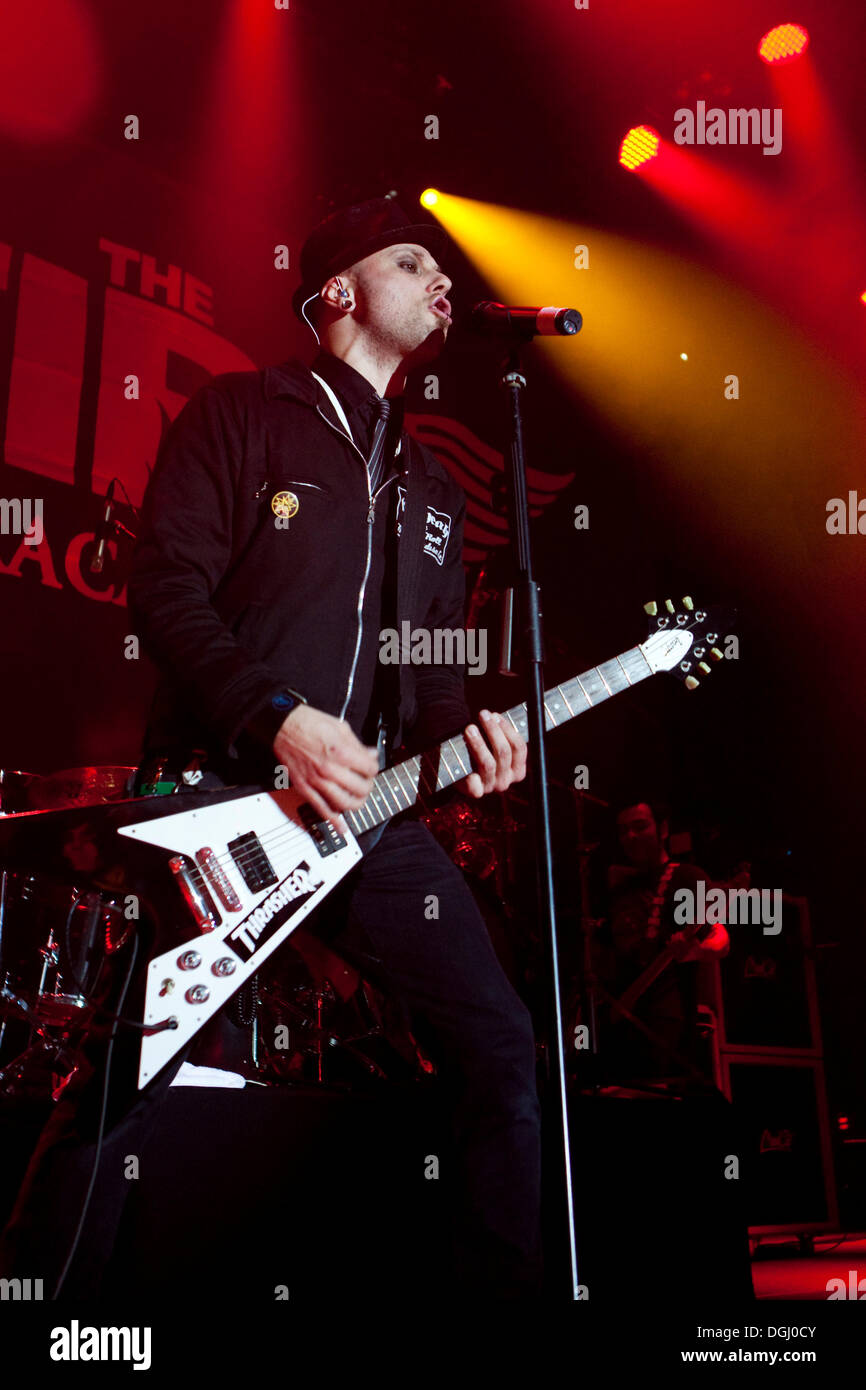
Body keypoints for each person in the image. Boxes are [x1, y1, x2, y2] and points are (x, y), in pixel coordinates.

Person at [0, 198, 541, 1301]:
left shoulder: (432, 486)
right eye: (410, 260)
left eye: (441, 266)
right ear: (335, 293)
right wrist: (278, 717)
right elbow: (164, 591)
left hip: (365, 821)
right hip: (226, 791)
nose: (439, 279)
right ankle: (37, 1312)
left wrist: (469, 738)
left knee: (500, 1046)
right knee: (138, 1067)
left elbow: (428, 677)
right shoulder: (244, 414)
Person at [591, 799, 729, 1087]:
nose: (630, 836)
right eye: (623, 830)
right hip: (617, 1023)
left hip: (666, 1026)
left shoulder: (686, 877)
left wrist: (693, 950)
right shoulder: (617, 890)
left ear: (663, 829)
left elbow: (720, 939)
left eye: (640, 827)